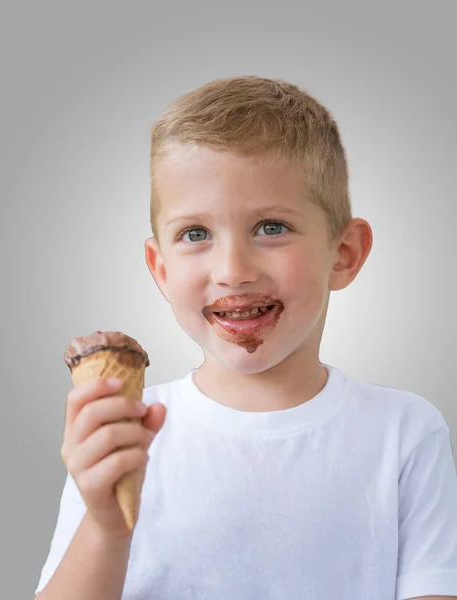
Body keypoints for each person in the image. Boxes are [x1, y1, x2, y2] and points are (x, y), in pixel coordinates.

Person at [34, 76, 457, 600]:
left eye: (272, 227)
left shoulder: (404, 433)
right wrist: (105, 526)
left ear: (343, 254)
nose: (233, 271)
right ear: (160, 268)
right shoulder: (126, 435)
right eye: (196, 234)